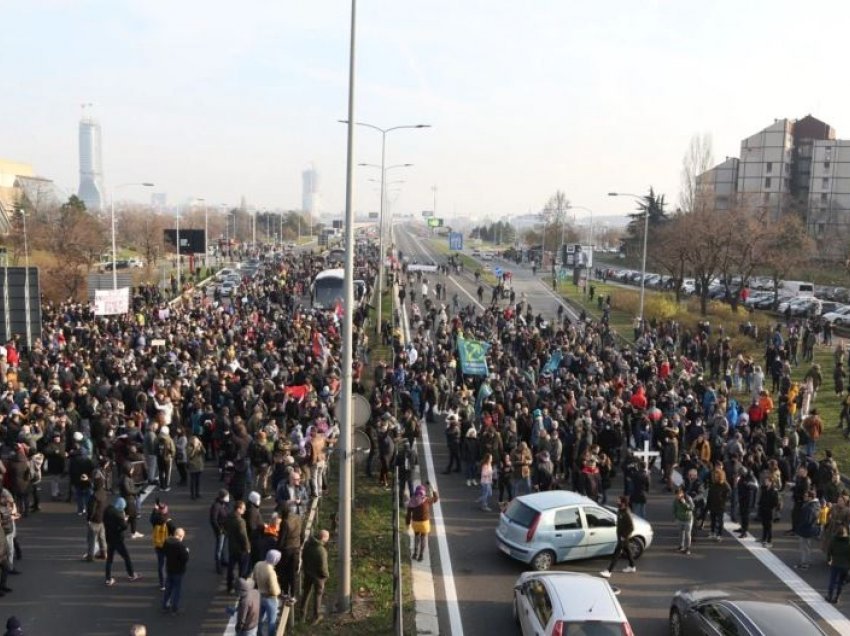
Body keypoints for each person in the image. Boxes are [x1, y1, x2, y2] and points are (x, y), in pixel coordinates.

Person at [103, 497, 141, 586]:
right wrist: (125, 519)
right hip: (118, 539)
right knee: (126, 557)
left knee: (109, 559)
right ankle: (131, 574)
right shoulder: (118, 515)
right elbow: (124, 526)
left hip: (109, 537)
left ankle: (108, 579)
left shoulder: (108, 510)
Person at [599, 496, 636, 578]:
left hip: (623, 537)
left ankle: (609, 571)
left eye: (618, 501)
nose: (617, 502)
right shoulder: (620, 510)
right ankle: (632, 566)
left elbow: (631, 527)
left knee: (616, 553)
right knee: (628, 551)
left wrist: (624, 536)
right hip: (620, 536)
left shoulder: (626, 513)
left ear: (623, 503)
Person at [301, 529, 330, 625]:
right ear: (323, 538)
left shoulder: (307, 545)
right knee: (318, 595)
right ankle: (316, 616)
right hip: (318, 577)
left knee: (306, 593)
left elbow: (303, 557)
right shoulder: (322, 551)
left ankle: (302, 614)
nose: (327, 540)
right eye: (327, 538)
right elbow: (323, 567)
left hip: (308, 573)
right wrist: (326, 575)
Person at [252, 549, 282, 636]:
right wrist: (279, 591)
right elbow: (275, 591)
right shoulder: (271, 572)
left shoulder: (258, 564)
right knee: (271, 621)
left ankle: (259, 634)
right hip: (270, 599)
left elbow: (254, 578)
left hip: (260, 595)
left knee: (259, 619)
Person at [406, 483, 439, 561]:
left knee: (416, 537)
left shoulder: (412, 500)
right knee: (423, 538)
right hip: (425, 523)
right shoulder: (427, 500)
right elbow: (436, 498)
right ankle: (421, 556)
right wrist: (433, 490)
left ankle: (415, 553)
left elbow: (408, 514)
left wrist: (407, 524)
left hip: (415, 523)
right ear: (423, 492)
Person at [277, 502, 303, 599]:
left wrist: (277, 548)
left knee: (284, 571)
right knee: (293, 573)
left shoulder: (285, 522)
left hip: (286, 550)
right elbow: (302, 534)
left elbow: (281, 539)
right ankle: (292, 594)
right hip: (296, 549)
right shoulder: (298, 518)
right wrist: (300, 544)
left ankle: (284, 591)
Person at [225, 500, 251, 594]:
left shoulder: (229, 517)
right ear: (238, 509)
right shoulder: (240, 521)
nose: (244, 510)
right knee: (242, 570)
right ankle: (240, 588)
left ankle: (229, 586)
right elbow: (243, 536)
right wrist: (247, 547)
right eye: (243, 509)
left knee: (231, 568)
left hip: (232, 546)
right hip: (241, 549)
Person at [162, 527, 189, 614]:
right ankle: (174, 607)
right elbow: (185, 558)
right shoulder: (180, 546)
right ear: (181, 536)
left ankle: (165, 604)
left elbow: (164, 551)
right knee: (177, 589)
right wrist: (187, 552)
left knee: (168, 588)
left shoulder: (167, 542)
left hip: (169, 568)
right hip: (178, 570)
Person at [150, 500, 176, 591]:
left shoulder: (154, 520)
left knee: (161, 565)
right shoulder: (169, 522)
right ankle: (169, 581)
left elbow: (152, 517)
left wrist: (154, 509)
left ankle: (162, 584)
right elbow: (175, 534)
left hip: (158, 545)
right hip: (167, 545)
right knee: (169, 564)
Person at [83, 475, 108, 562]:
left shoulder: (94, 496)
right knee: (102, 537)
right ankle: (104, 553)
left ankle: (90, 556)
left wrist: (89, 518)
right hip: (102, 518)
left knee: (91, 539)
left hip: (94, 519)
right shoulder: (104, 493)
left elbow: (91, 509)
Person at [796, 489, 822, 570]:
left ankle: (805, 563)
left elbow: (807, 520)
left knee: (805, 547)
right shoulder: (815, 505)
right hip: (809, 529)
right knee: (805, 547)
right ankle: (804, 562)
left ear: (810, 498)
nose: (804, 497)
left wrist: (799, 526)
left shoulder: (810, 507)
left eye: (806, 496)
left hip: (806, 530)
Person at [826, 526, 850, 603]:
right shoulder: (848, 541)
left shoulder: (833, 540)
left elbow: (829, 551)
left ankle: (829, 596)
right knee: (841, 582)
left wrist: (829, 559)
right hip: (845, 565)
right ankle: (837, 597)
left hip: (835, 563)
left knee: (832, 580)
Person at [707, 468, 731, 542]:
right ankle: (712, 532)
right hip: (713, 505)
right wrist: (708, 504)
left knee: (720, 521)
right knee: (713, 519)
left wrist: (723, 499)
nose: (715, 477)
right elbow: (710, 494)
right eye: (714, 475)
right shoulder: (713, 484)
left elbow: (729, 493)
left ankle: (719, 535)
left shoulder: (724, 485)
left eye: (717, 476)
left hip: (720, 505)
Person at [210, 489, 231, 573]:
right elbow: (213, 520)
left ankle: (222, 560)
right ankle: (218, 565)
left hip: (225, 529)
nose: (228, 498)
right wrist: (219, 530)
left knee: (222, 546)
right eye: (227, 496)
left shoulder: (224, 504)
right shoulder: (216, 506)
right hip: (221, 530)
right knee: (219, 548)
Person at [758, 476, 780, 548]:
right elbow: (761, 498)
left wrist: (771, 507)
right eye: (765, 481)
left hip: (770, 510)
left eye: (767, 481)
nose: (765, 482)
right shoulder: (764, 489)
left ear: (771, 482)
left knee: (769, 526)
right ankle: (764, 538)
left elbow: (776, 502)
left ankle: (769, 540)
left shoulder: (774, 491)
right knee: (764, 525)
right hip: (763, 509)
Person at [673, 486, 694, 555]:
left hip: (688, 519)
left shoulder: (688, 498)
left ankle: (688, 548)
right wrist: (675, 518)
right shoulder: (675, 500)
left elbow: (692, 508)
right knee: (681, 533)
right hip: (680, 519)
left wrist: (684, 503)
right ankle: (681, 546)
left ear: (681, 493)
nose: (677, 496)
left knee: (688, 534)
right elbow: (674, 509)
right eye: (676, 495)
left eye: (678, 495)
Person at [187, 435, 205, 500]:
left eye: (197, 441)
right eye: (195, 441)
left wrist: (201, 445)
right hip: (192, 466)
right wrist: (194, 448)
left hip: (199, 466)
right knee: (193, 481)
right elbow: (190, 456)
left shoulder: (199, 446)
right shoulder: (189, 447)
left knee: (198, 481)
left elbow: (204, 452)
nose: (196, 442)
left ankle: (197, 493)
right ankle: (193, 494)